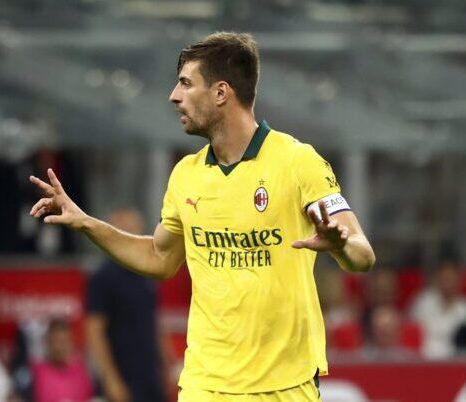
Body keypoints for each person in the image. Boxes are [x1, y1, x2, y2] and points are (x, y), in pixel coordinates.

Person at [29, 32, 375, 402]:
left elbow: (362, 254)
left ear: (221, 93)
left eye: (185, 84)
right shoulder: (186, 175)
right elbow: (159, 258)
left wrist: (340, 246)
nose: (173, 96)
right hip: (204, 384)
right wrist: (86, 222)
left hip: (283, 385)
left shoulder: (296, 161)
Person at [86, 208, 170, 402]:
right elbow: (94, 331)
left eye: (134, 226)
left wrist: (166, 365)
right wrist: (110, 379)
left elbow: (155, 322)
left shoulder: (146, 272)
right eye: (124, 227)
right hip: (122, 376)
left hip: (150, 376)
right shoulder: (102, 276)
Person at [409, 260, 466, 358]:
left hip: (456, 359)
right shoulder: (422, 303)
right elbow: (411, 334)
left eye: (450, 279)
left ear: (459, 281)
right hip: (424, 358)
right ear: (436, 279)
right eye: (444, 279)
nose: (447, 283)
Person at [32, 318, 93, 402]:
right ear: (48, 342)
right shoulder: (37, 371)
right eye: (56, 341)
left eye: (64, 341)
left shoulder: (81, 369)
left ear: (71, 342)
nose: (60, 347)